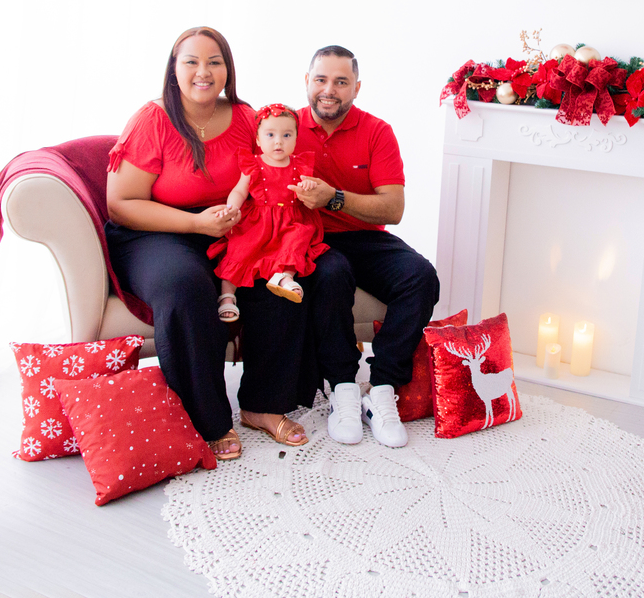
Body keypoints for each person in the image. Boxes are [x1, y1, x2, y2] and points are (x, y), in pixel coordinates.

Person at [105, 27, 315, 459]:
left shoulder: (244, 117)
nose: (204, 72)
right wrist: (195, 224)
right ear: (174, 69)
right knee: (185, 288)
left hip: (227, 228)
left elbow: (269, 174)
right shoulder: (153, 119)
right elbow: (120, 204)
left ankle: (263, 405)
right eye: (192, 62)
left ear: (227, 70)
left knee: (278, 284)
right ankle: (204, 419)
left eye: (214, 62)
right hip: (154, 233)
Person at [289, 45, 440, 448]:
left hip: (365, 236)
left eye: (341, 82)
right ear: (307, 82)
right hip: (311, 238)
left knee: (421, 277)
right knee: (332, 274)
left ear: (356, 88)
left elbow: (393, 208)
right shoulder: (286, 126)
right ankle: (342, 387)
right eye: (321, 79)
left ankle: (382, 388)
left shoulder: (377, 131)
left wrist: (334, 197)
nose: (329, 90)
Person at [209, 104, 329, 319]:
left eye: (286, 135)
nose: (278, 141)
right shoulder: (254, 164)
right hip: (257, 221)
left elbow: (310, 189)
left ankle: (284, 278)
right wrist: (231, 207)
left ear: (295, 138)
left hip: (291, 220)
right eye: (270, 134)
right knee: (239, 250)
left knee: (297, 241)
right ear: (258, 139)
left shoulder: (299, 165)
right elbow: (239, 190)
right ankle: (227, 297)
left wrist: (308, 187)